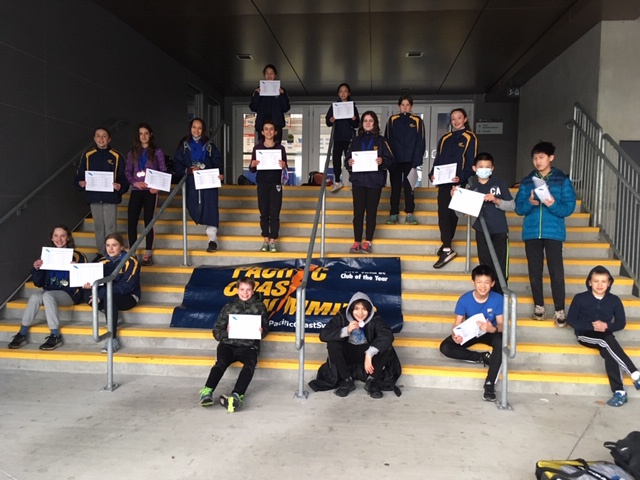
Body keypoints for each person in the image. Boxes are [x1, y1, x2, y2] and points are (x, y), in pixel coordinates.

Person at [515, 141, 576, 327]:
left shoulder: (562, 180)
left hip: (553, 232)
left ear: (551, 158)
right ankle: (539, 307)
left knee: (556, 273)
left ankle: (559, 310)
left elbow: (568, 208)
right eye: (535, 158)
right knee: (535, 272)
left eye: (541, 157)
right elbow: (519, 208)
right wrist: (530, 203)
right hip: (532, 232)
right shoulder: (527, 181)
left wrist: (552, 203)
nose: (537, 161)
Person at [567, 266, 640, 407]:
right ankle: (635, 374)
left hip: (606, 335)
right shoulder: (580, 298)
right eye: (596, 281)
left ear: (609, 283)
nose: (600, 285)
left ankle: (620, 392)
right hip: (585, 334)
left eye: (603, 281)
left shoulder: (614, 300)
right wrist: (591, 326)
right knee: (606, 341)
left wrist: (607, 326)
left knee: (609, 351)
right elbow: (571, 320)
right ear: (590, 282)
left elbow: (621, 323)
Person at [8, 225, 87, 350]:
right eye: (56, 236)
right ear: (52, 238)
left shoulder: (78, 256)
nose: (59, 239)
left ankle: (55, 335)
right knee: (35, 296)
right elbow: (38, 283)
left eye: (63, 236)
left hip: (70, 293)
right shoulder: (47, 255)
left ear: (68, 238)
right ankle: (22, 333)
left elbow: (86, 279)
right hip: (49, 291)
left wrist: (77, 268)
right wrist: (37, 269)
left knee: (47, 295)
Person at [199, 277, 269, 412]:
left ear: (253, 291)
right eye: (242, 289)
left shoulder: (260, 307)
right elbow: (217, 333)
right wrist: (227, 332)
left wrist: (262, 331)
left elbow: (265, 329)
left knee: (250, 365)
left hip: (249, 346)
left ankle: (237, 395)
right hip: (228, 345)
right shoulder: (229, 307)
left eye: (248, 289)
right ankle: (207, 391)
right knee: (220, 363)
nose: (245, 293)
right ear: (237, 290)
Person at [439, 265, 504, 402]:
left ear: (492, 283)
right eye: (479, 282)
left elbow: (501, 324)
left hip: (489, 331)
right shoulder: (464, 299)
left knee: (500, 340)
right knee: (445, 347)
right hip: (471, 332)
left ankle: (489, 384)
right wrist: (455, 335)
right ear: (473, 282)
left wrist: (492, 329)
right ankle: (482, 357)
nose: (483, 286)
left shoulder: (498, 299)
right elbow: (457, 324)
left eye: (487, 282)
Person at [318, 292, 394, 399]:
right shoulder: (342, 316)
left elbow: (387, 335)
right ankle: (346, 380)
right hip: (349, 352)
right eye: (356, 309)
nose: (360, 313)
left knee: (387, 346)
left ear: (369, 310)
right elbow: (323, 335)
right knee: (333, 344)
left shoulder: (375, 318)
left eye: (364, 309)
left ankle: (372, 381)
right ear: (351, 309)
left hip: (367, 354)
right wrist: (346, 330)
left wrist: (370, 353)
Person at [428, 108, 477, 268]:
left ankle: (447, 247)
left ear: (465, 119)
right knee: (443, 214)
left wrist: (461, 177)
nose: (456, 121)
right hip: (443, 182)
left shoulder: (470, 137)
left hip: (458, 182)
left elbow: (471, 163)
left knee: (452, 215)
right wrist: (432, 174)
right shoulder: (445, 138)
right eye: (453, 119)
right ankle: (447, 245)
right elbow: (438, 160)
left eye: (459, 118)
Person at [74, 127, 129, 258]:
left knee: (110, 227)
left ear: (109, 139)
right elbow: (79, 176)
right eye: (98, 136)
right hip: (94, 197)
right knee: (99, 227)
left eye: (104, 136)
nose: (101, 139)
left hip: (110, 197)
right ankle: (101, 254)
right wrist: (80, 183)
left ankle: (113, 255)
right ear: (94, 138)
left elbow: (124, 178)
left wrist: (120, 186)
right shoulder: (87, 155)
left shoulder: (117, 156)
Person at [345, 111, 394, 254]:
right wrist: (349, 162)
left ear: (375, 123)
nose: (367, 123)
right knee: (358, 213)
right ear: (362, 123)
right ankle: (356, 242)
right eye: (365, 120)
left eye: (370, 120)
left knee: (371, 212)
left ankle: (368, 242)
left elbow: (391, 160)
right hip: (358, 182)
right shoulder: (355, 141)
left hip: (375, 182)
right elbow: (347, 160)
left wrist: (382, 161)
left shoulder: (382, 141)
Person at [83, 233, 140, 353]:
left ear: (122, 247)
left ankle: (112, 339)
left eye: (114, 245)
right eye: (108, 245)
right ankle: (112, 314)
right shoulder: (101, 261)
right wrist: (89, 286)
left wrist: (101, 294)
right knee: (87, 294)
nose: (111, 248)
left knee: (110, 298)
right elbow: (94, 281)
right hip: (107, 295)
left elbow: (126, 286)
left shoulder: (131, 261)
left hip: (128, 296)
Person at [174, 118, 224, 253]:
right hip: (192, 182)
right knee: (193, 206)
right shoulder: (184, 145)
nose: (196, 130)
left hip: (208, 181)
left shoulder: (209, 145)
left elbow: (217, 162)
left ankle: (212, 239)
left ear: (203, 130)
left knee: (211, 208)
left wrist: (220, 173)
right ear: (190, 128)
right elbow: (177, 164)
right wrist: (188, 170)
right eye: (194, 127)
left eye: (199, 128)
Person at [467, 152, 515, 294]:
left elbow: (512, 206)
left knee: (500, 266)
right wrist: (456, 196)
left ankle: (501, 296)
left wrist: (496, 200)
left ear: (492, 168)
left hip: (500, 231)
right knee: (485, 266)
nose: (484, 169)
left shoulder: (500, 184)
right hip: (482, 231)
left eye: (487, 167)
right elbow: (461, 213)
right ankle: (488, 296)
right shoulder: (472, 189)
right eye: (481, 166)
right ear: (474, 168)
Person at [125, 122, 167, 266]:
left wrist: (157, 187)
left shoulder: (157, 151)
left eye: (146, 133)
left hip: (150, 191)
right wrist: (134, 183)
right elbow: (127, 171)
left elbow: (163, 170)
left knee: (149, 221)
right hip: (137, 190)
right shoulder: (132, 152)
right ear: (138, 136)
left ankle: (148, 253)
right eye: (141, 134)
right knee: (132, 221)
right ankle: (132, 252)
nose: (143, 136)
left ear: (151, 135)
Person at [384, 95, 426, 225]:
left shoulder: (417, 121)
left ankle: (409, 213)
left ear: (411, 106)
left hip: (410, 161)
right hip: (395, 161)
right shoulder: (392, 120)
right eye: (403, 105)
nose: (405, 107)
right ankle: (393, 213)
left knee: (409, 189)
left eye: (407, 105)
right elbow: (387, 141)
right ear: (399, 106)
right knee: (395, 188)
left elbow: (420, 142)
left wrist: (416, 161)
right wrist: (389, 159)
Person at [248, 120, 288, 252]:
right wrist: (252, 164)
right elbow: (252, 169)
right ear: (262, 131)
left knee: (275, 212)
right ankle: (265, 239)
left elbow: (285, 168)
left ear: (275, 132)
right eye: (266, 129)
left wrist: (284, 165)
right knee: (264, 212)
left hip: (276, 183)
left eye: (271, 129)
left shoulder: (280, 149)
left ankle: (273, 240)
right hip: (262, 183)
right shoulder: (257, 149)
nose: (269, 131)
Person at [326, 83, 359, 192]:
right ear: (338, 93)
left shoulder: (352, 106)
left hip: (349, 137)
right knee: (336, 159)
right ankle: (337, 181)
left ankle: (353, 181)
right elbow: (328, 121)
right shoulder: (334, 106)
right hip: (338, 137)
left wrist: (354, 119)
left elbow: (357, 124)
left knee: (350, 159)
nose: (343, 93)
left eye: (345, 91)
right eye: (341, 91)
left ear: (349, 93)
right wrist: (331, 120)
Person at [249, 64, 291, 144]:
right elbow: (253, 107)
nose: (269, 76)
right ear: (264, 75)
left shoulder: (281, 90)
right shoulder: (258, 90)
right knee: (262, 146)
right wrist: (257, 94)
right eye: (267, 73)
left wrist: (282, 95)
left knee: (276, 147)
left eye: (271, 73)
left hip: (276, 125)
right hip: (262, 124)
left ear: (275, 75)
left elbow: (286, 108)